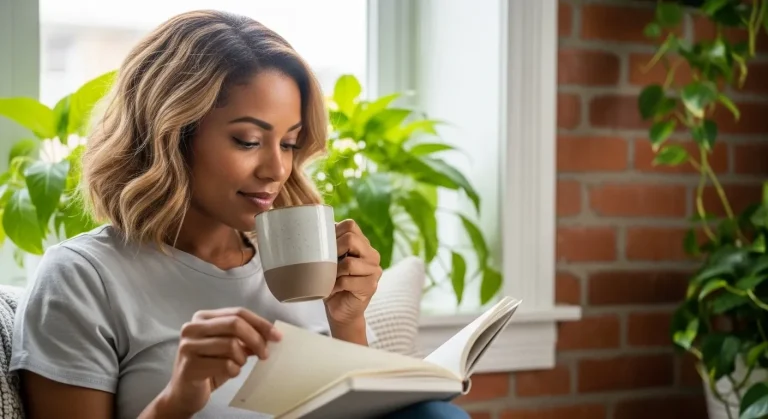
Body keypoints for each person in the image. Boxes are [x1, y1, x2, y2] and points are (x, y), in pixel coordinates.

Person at [9, 9, 469, 419]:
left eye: (289, 143)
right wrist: (177, 401)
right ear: (172, 135)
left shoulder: (303, 264)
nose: (277, 169)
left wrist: (347, 321)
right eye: (248, 141)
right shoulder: (83, 278)